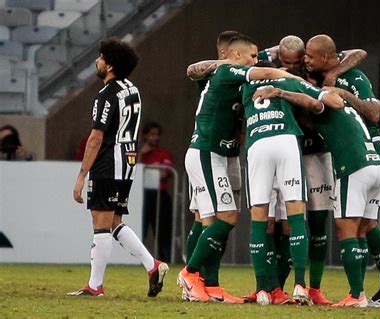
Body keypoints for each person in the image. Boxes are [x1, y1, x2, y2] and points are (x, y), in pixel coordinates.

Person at [178, 34, 301, 303]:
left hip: (227, 154)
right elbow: (263, 69)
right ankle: (190, 274)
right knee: (220, 218)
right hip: (207, 152)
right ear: (233, 56)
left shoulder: (233, 74)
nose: (256, 60)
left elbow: (278, 51)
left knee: (212, 220)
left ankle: (211, 285)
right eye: (251, 56)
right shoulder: (226, 71)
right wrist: (295, 80)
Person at [246, 35, 367, 305]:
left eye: (298, 61)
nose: (291, 66)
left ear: (307, 58)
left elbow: (358, 51)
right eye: (285, 62)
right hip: (290, 148)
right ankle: (271, 285)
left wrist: (332, 75)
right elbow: (242, 57)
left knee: (316, 224)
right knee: (277, 224)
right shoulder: (271, 67)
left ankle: (312, 288)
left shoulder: (314, 69)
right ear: (279, 58)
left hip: (315, 155)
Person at [67, 37, 168, 297]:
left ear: (110, 65)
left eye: (100, 57)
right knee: (114, 221)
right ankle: (152, 265)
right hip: (128, 160)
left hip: (108, 161)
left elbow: (96, 137)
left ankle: (95, 285)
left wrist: (81, 175)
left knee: (100, 222)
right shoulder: (131, 89)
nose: (96, 61)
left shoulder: (107, 96)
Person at [307, 35, 380, 307]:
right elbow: (356, 51)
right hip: (356, 150)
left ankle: (360, 292)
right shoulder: (322, 75)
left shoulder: (355, 78)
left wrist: (341, 90)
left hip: (368, 148)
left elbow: (375, 113)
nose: (307, 62)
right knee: (365, 225)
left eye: (311, 57)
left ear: (325, 58)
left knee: (360, 224)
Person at [138, 121, 173, 262]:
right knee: (142, 229)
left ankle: (165, 260)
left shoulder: (164, 153)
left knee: (163, 231)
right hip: (143, 196)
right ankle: (139, 259)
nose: (155, 138)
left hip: (161, 195)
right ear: (145, 136)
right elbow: (133, 172)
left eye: (157, 135)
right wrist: (141, 154)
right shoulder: (139, 153)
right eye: (152, 134)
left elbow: (166, 173)